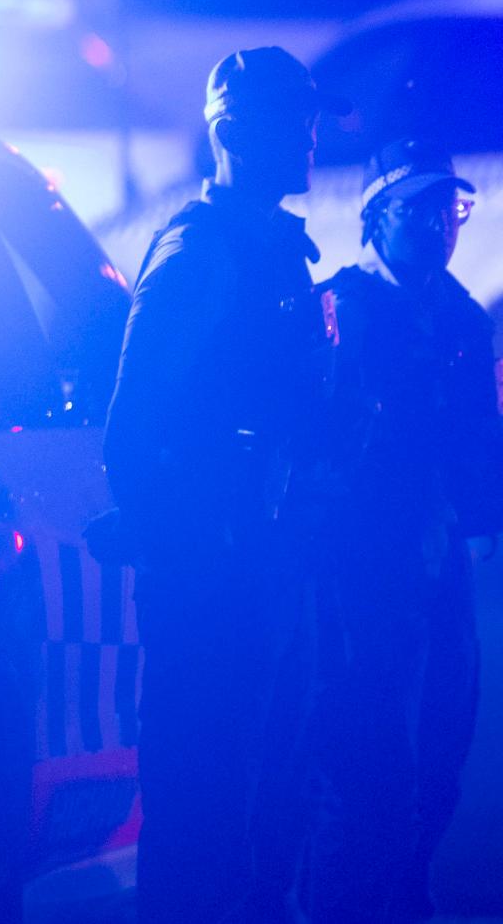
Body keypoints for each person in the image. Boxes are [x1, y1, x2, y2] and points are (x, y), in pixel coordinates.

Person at [103, 47, 341, 923]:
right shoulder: (202, 254)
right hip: (217, 591)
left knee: (271, 823)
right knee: (205, 836)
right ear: (232, 131)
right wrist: (205, 553)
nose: (312, 136)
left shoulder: (272, 249)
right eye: (292, 118)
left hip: (269, 573)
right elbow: (131, 437)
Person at [305, 139, 503, 923]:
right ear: (375, 217)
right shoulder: (337, 312)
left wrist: (486, 495)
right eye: (422, 210)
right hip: (359, 562)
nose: (442, 226)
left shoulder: (465, 317)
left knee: (441, 748)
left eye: (453, 209)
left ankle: (403, 893)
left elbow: (485, 433)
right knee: (365, 757)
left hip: (437, 561)